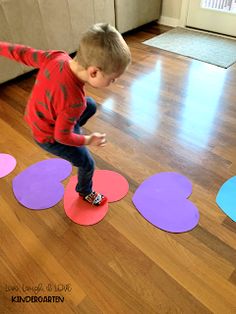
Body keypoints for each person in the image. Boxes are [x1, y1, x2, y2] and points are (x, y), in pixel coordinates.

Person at [0, 23, 131, 206]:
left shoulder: (57, 57)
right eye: (112, 78)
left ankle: (71, 127)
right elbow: (61, 136)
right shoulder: (74, 101)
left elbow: (23, 53)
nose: (114, 82)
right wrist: (87, 140)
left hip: (39, 117)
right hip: (48, 136)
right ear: (94, 71)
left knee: (91, 105)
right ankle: (85, 192)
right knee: (87, 163)